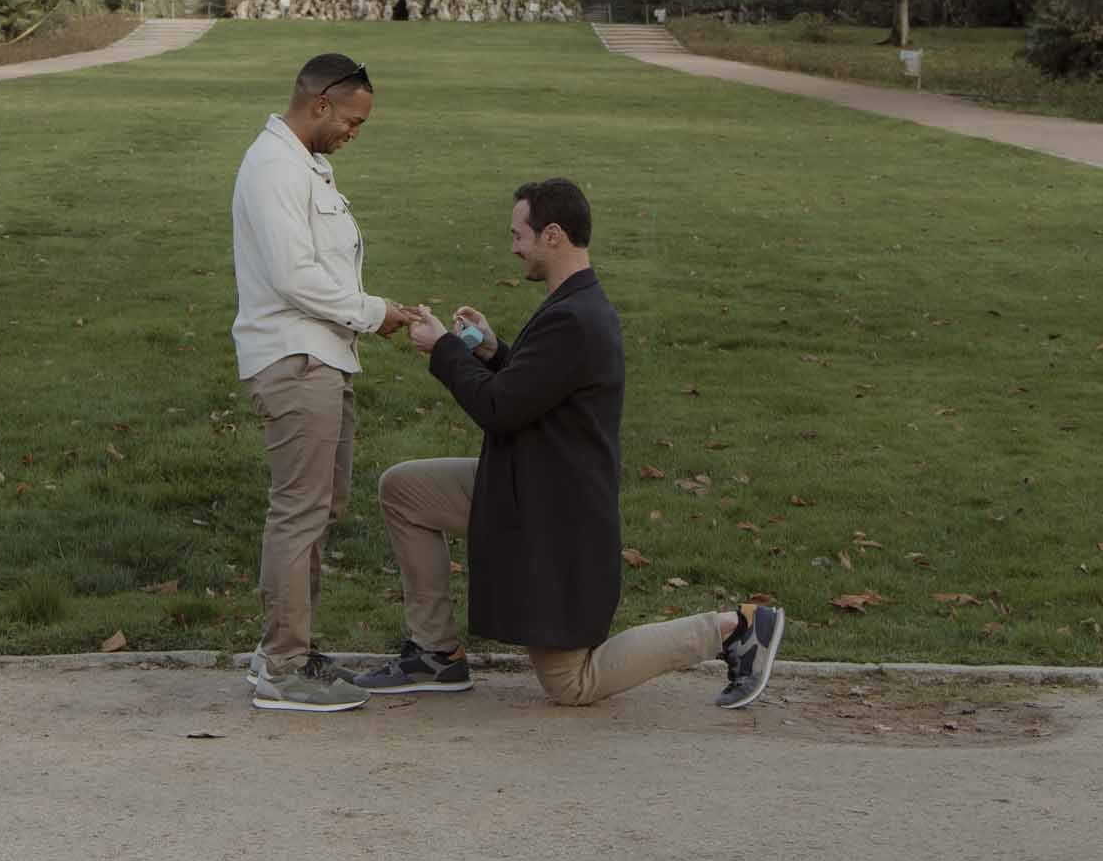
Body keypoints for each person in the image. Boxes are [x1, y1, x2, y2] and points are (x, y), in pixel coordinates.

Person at [351, 178, 784, 710]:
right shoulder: (575, 305)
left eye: (519, 234)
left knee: (571, 682)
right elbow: (536, 389)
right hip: (528, 484)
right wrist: (490, 351)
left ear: (552, 234)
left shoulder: (576, 318)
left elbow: (499, 409)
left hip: (554, 515)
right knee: (405, 489)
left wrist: (443, 349)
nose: (513, 247)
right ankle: (435, 653)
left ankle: (732, 628)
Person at [229, 53, 422, 712]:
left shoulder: (303, 164)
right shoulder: (275, 166)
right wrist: (373, 313)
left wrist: (375, 312)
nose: (353, 133)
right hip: (295, 361)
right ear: (318, 104)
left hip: (319, 358)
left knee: (318, 508)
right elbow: (294, 277)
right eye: (351, 120)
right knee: (299, 511)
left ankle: (288, 649)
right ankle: (283, 665)